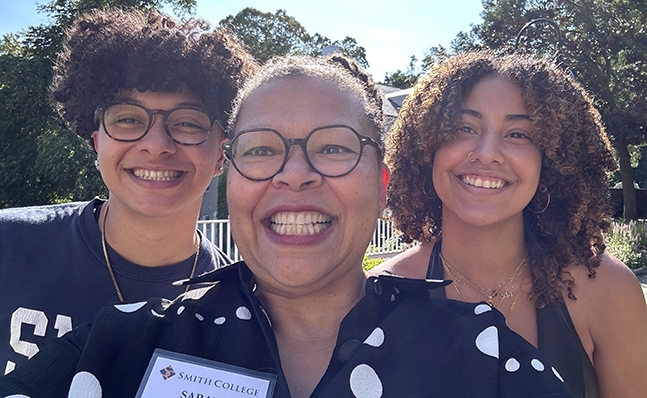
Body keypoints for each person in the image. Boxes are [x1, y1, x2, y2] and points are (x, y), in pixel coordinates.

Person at [0, 54, 573, 398]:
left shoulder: (482, 355)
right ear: (232, 179)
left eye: (333, 147)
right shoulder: (120, 344)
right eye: (262, 149)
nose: (294, 174)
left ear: (382, 186)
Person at [369, 51, 647, 397]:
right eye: (464, 128)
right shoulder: (379, 296)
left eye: (518, 134)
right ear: (427, 149)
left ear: (554, 161)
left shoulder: (607, 291)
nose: (487, 152)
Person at [0, 8, 256, 374]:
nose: (156, 144)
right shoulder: (8, 246)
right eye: (129, 119)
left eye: (186, 123)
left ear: (221, 153)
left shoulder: (237, 310)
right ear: (96, 143)